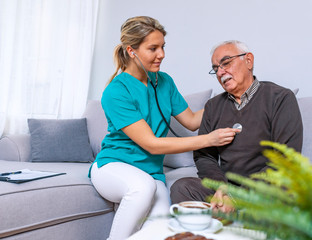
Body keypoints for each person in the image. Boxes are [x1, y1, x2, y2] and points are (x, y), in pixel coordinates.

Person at [88, 17, 240, 240]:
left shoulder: (164, 82)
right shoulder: (116, 92)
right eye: (153, 48)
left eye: (162, 47)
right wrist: (209, 139)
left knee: (159, 230)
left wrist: (227, 97)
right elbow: (152, 144)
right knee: (142, 188)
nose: (162, 54)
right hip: (114, 167)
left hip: (152, 173)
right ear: (131, 51)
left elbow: (191, 120)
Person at [170, 40, 303, 214]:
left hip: (265, 187)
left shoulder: (280, 98)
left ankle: (230, 216)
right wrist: (221, 188)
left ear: (248, 60)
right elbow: (204, 157)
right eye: (216, 68)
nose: (220, 72)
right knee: (182, 187)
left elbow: (286, 159)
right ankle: (225, 217)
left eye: (226, 63)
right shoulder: (213, 106)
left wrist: (238, 196)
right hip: (226, 187)